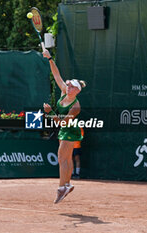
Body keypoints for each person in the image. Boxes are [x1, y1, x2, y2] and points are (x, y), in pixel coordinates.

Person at [42, 50, 86, 204]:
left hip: (70, 129)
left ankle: (62, 187)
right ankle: (67, 183)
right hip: (64, 128)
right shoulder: (63, 92)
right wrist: (49, 58)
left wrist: (50, 112)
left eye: (72, 87)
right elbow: (56, 75)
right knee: (66, 158)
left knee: (62, 157)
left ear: (77, 91)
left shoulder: (76, 107)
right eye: (68, 85)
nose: (68, 87)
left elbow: (62, 122)